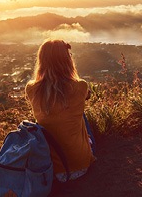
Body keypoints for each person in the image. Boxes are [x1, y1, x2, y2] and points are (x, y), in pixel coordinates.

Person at [25, 39, 96, 183]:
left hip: (51, 170)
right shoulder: (80, 86)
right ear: (67, 60)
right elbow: (87, 95)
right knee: (80, 113)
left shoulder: (31, 89)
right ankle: (89, 150)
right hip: (80, 166)